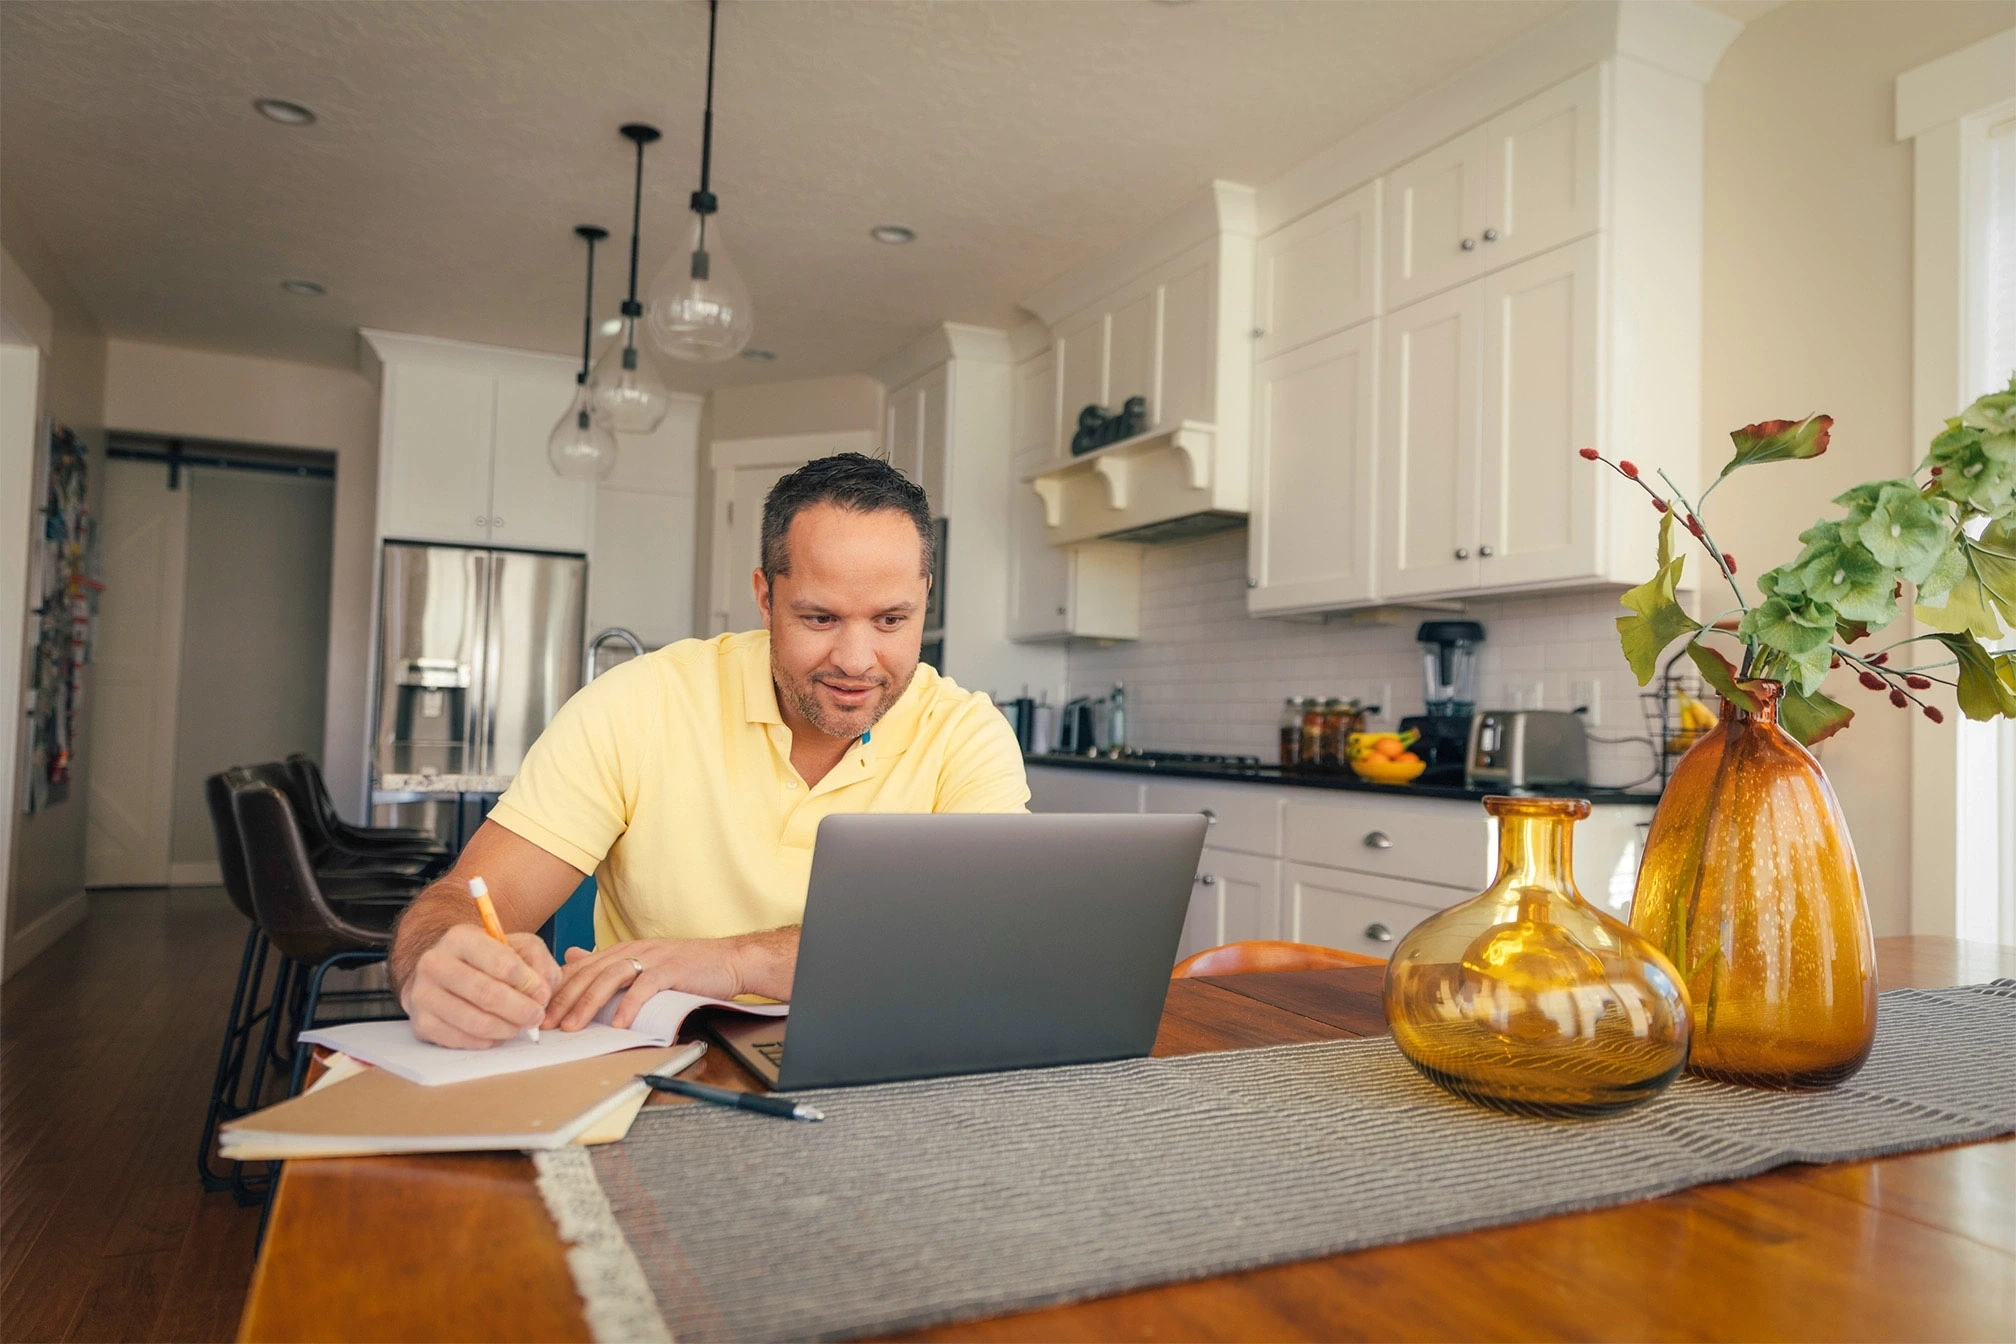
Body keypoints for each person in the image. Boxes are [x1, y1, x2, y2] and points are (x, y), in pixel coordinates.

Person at [388, 454, 1029, 1048]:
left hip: (883, 1060)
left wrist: (733, 960)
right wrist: (437, 961)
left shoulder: (966, 733)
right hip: (656, 1065)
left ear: (924, 601)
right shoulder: (640, 702)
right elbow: (467, 903)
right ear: (765, 596)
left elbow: (984, 945)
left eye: (891, 620)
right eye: (820, 619)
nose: (857, 662)